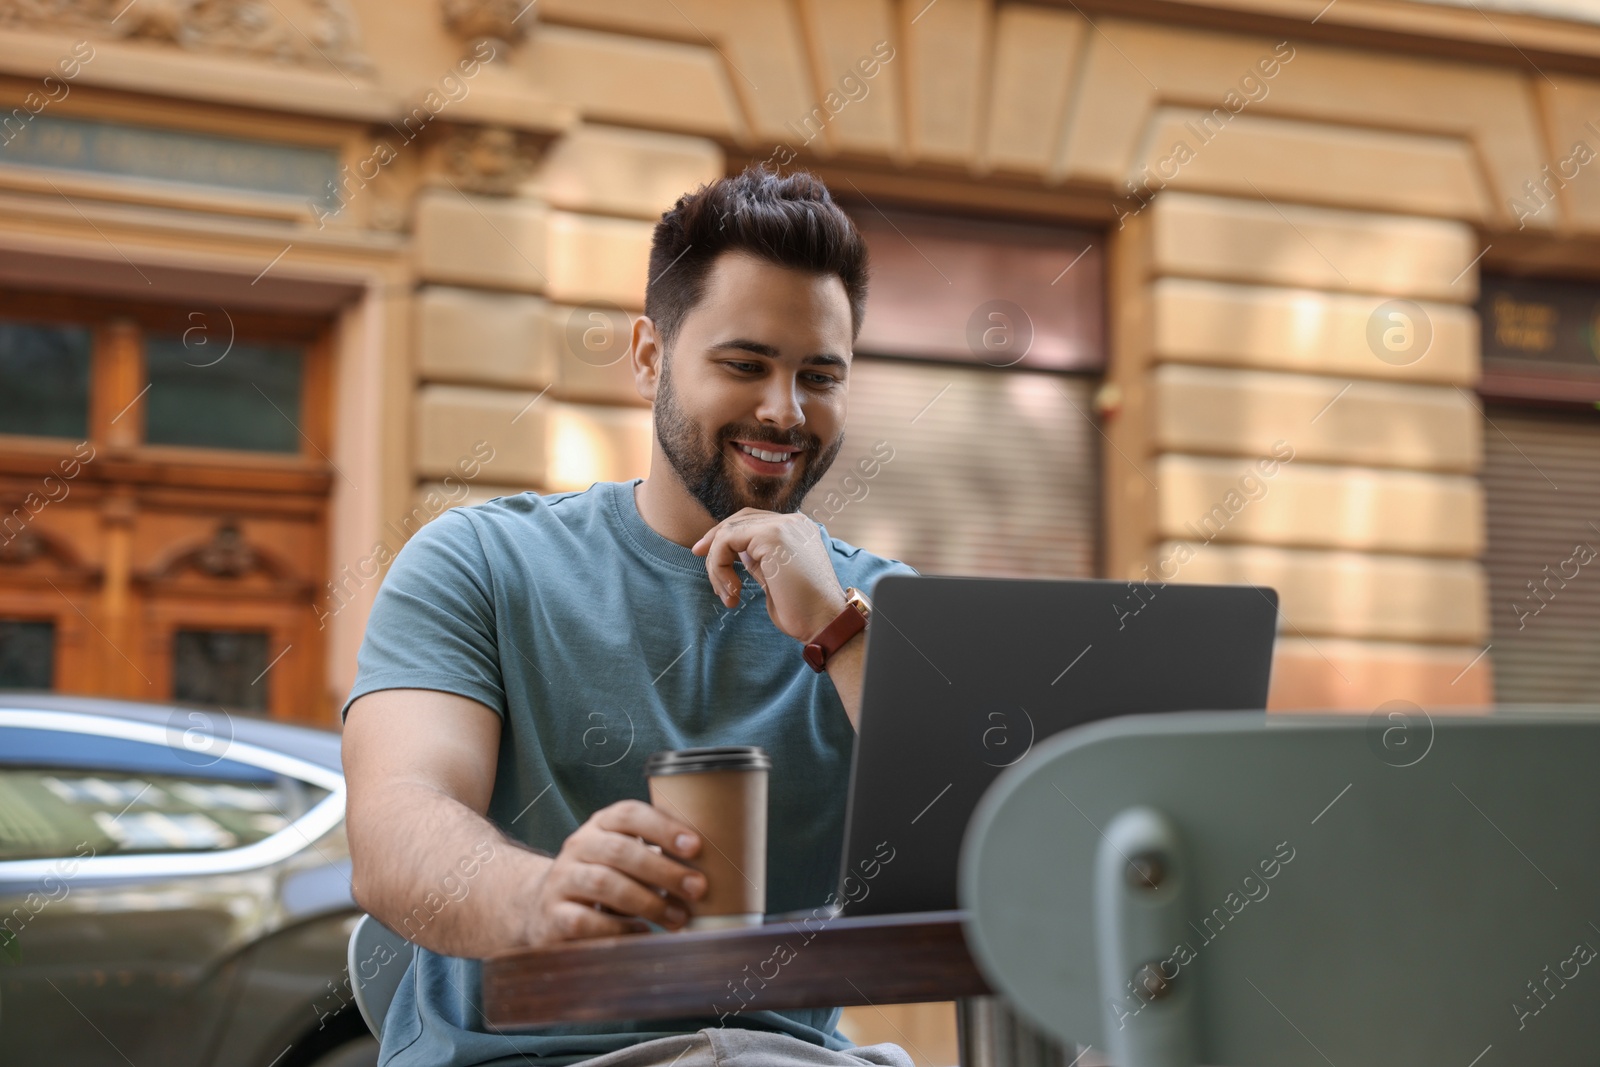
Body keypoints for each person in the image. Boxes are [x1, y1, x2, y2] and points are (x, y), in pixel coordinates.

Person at [342, 165, 918, 1067]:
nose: (784, 409)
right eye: (744, 364)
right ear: (650, 355)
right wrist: (544, 897)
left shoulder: (876, 608)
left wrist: (835, 628)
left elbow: (1005, 865)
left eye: (819, 374)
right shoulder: (482, 564)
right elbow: (394, 829)